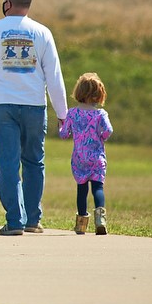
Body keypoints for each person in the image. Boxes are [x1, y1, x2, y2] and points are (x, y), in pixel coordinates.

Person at [0, 0, 70, 236]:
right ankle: (33, 219)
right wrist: (63, 113)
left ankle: (14, 220)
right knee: (34, 162)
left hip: (2, 106)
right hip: (35, 105)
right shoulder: (42, 32)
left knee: (8, 164)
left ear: (7, 3)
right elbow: (54, 75)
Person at [60, 72, 113, 235]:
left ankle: (81, 224)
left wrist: (61, 126)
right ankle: (101, 219)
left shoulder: (72, 113)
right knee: (98, 188)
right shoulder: (100, 114)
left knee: (81, 190)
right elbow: (109, 131)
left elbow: (64, 134)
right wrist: (101, 137)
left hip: (79, 158)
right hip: (97, 157)